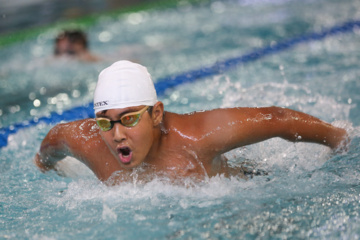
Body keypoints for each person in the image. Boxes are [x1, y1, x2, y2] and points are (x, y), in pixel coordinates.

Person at [34, 60, 349, 184]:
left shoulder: (197, 137)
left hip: (247, 186)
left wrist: (340, 140)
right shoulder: (86, 140)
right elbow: (52, 142)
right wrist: (43, 165)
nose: (116, 135)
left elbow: (278, 119)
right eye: (105, 122)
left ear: (156, 114)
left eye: (128, 119)